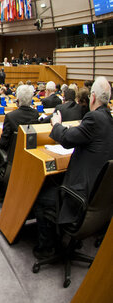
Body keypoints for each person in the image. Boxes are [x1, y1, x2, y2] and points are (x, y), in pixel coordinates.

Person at [32, 77, 113, 258]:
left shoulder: (93, 118)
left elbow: (67, 140)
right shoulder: (109, 119)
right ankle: (70, 242)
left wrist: (57, 124)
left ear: (92, 98)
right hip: (99, 200)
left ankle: (46, 247)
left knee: (40, 196)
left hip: (80, 198)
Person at [0, 85, 40, 151]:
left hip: (13, 154)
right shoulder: (36, 114)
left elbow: (3, 143)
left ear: (18, 100)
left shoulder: (10, 116)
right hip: (30, 152)